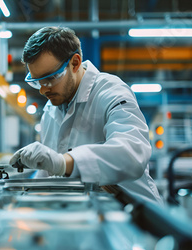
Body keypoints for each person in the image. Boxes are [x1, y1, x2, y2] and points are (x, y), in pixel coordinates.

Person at [9, 26, 163, 204]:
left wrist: (62, 162)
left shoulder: (111, 91)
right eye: (38, 82)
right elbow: (49, 169)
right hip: (91, 211)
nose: (43, 90)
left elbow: (132, 153)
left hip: (136, 216)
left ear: (75, 63)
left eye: (50, 79)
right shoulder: (50, 112)